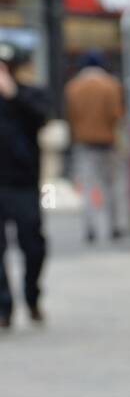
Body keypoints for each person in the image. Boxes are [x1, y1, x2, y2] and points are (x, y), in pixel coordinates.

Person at [0, 43, 50, 329]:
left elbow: (41, 117)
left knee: (33, 245)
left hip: (24, 183)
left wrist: (13, 94)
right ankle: (4, 306)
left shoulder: (30, 94)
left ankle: (32, 296)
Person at [64, 51, 126, 243]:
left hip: (83, 143)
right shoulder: (111, 85)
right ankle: (114, 225)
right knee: (112, 187)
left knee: (88, 188)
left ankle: (90, 227)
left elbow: (70, 117)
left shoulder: (73, 87)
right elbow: (117, 114)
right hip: (108, 142)